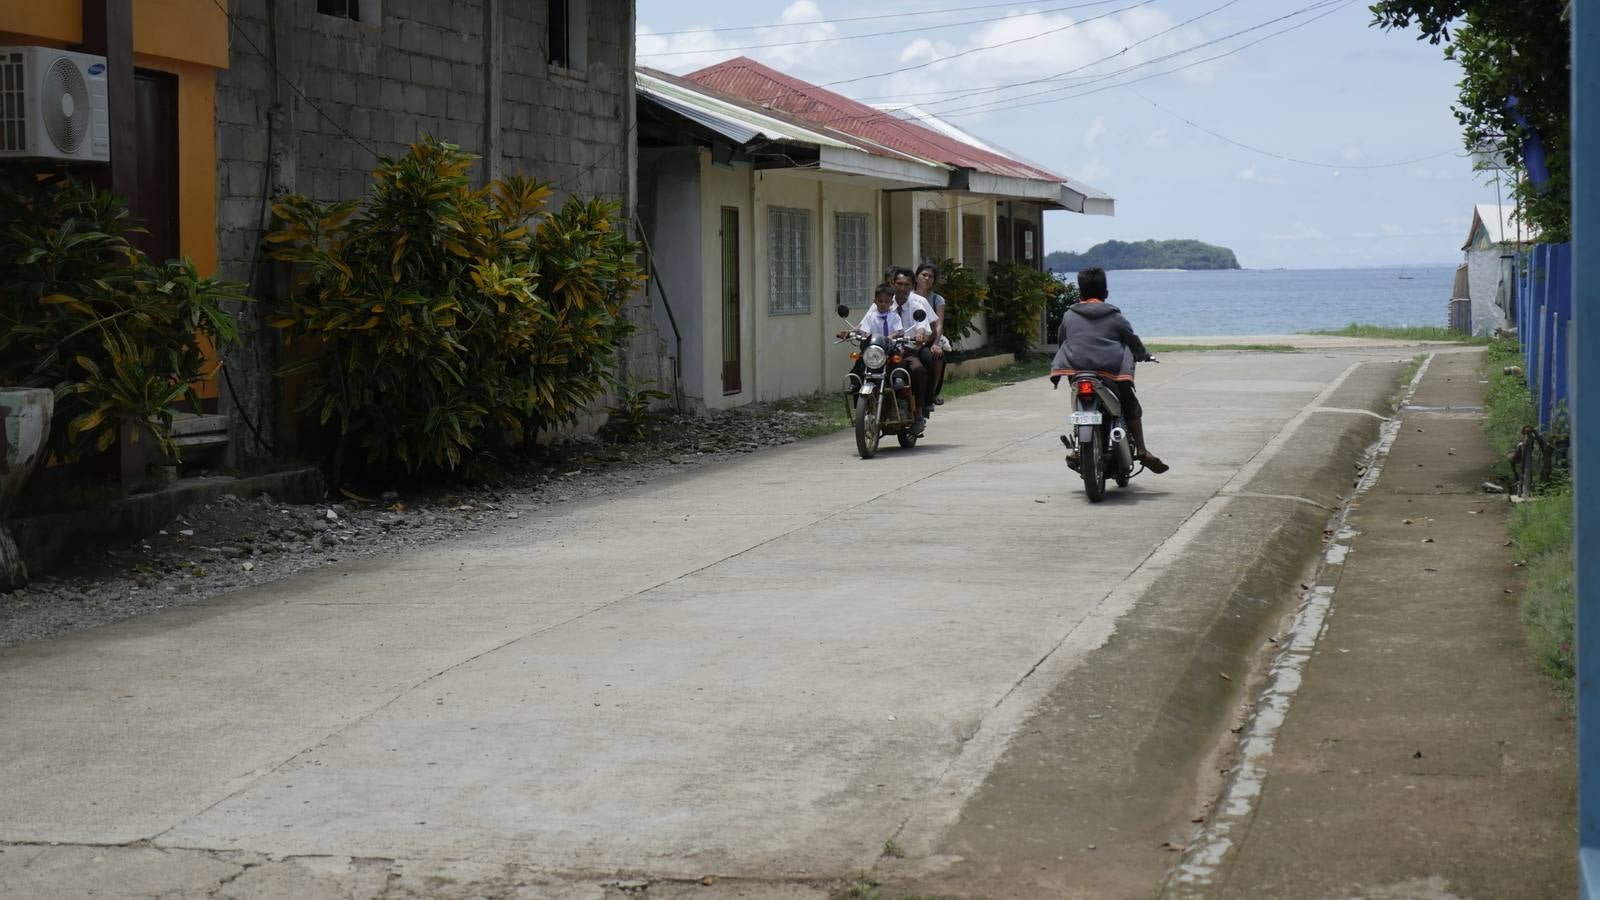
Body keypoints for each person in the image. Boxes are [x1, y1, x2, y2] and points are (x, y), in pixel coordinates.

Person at [1048, 267, 1168, 473]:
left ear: (1080, 294)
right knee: (1129, 401)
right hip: (1109, 374)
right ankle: (1141, 449)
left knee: (1078, 406)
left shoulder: (1069, 315)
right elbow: (1132, 342)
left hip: (1078, 373)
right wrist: (1144, 354)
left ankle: (1077, 448)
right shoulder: (1115, 317)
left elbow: (1062, 342)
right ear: (1106, 293)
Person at [888, 267, 938, 420]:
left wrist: (920, 335)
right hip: (886, 351)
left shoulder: (918, 303)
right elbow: (868, 320)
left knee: (920, 368)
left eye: (906, 285)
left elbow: (925, 324)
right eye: (899, 284)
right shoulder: (884, 301)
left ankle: (921, 408)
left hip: (911, 349)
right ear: (892, 284)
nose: (902, 288)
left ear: (912, 286)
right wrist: (855, 331)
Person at [914, 263, 951, 404]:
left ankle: (931, 394)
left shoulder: (937, 299)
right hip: (908, 340)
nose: (927, 278)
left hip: (928, 341)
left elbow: (939, 324)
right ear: (916, 277)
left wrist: (935, 344)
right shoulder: (907, 296)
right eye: (924, 275)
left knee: (937, 357)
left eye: (931, 276)